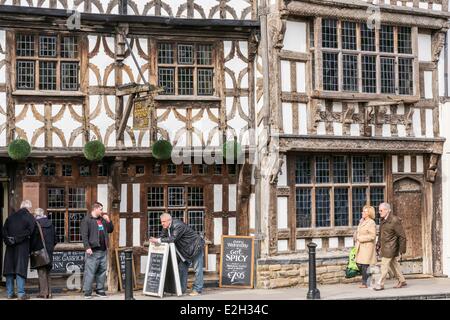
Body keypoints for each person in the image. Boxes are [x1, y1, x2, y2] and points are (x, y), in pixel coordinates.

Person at [149, 213, 204, 296]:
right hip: (185, 250)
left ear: (169, 220)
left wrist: (158, 240)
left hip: (196, 246)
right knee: (182, 268)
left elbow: (172, 238)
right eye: (161, 222)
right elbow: (162, 236)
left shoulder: (178, 225)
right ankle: (181, 289)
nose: (162, 223)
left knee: (197, 269)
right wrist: (157, 241)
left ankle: (197, 289)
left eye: (164, 221)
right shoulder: (166, 227)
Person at [2, 200, 36, 300]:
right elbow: (30, 232)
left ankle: (10, 293)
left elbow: (4, 231)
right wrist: (19, 240)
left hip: (10, 247)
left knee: (9, 270)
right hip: (22, 247)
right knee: (20, 269)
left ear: (21, 207)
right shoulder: (30, 217)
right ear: (29, 208)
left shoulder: (10, 217)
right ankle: (21, 294)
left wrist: (8, 240)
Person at [80, 202, 114, 299]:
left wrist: (108, 221)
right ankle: (87, 292)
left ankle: (100, 290)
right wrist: (87, 247)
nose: (102, 211)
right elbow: (84, 235)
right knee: (90, 272)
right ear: (95, 209)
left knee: (102, 271)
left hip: (103, 250)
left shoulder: (102, 220)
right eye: (101, 209)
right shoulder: (87, 220)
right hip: (93, 251)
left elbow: (110, 230)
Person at [373, 202, 407, 291]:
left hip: (391, 247)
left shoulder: (395, 220)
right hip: (385, 247)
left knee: (384, 265)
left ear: (387, 210)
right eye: (379, 210)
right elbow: (381, 234)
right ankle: (402, 280)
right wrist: (378, 244)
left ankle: (380, 284)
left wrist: (402, 249)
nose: (379, 212)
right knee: (394, 265)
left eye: (381, 210)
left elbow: (402, 236)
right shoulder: (383, 220)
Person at [30, 208, 56, 299]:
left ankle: (44, 293)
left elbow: (33, 240)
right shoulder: (51, 224)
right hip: (49, 251)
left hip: (40, 251)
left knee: (41, 273)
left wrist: (31, 249)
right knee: (48, 272)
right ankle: (50, 293)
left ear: (36, 215)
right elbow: (55, 239)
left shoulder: (36, 224)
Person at [355, 205, 377, 288]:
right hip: (361, 247)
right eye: (363, 211)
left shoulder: (371, 222)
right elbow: (358, 232)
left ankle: (365, 283)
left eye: (365, 211)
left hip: (367, 247)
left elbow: (372, 236)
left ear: (369, 213)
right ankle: (369, 280)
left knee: (365, 265)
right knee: (359, 264)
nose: (362, 213)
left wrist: (360, 238)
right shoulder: (362, 222)